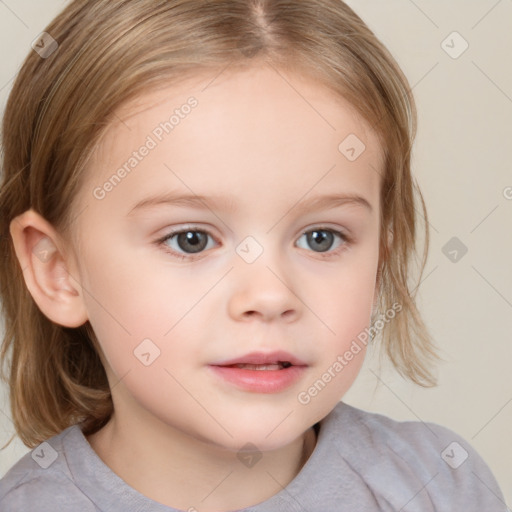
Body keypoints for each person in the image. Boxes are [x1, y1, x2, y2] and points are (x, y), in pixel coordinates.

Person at [0, 1, 507, 510]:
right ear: (58, 271)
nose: (270, 296)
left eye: (321, 237)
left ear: (380, 256)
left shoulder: (440, 484)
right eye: (190, 239)